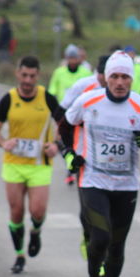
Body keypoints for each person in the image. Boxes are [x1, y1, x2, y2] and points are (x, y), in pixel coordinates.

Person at [60, 51, 140, 277]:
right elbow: (63, 127)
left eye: (125, 77)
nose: (119, 82)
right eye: (114, 76)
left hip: (126, 186)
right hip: (93, 180)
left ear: (131, 80)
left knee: (117, 247)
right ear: (106, 78)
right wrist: (69, 153)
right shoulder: (88, 101)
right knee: (100, 237)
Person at [0, 56, 61, 273]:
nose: (28, 80)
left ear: (37, 76)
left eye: (32, 76)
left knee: (37, 210)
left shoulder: (47, 98)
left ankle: (36, 232)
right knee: (17, 211)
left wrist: (56, 144)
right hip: (14, 164)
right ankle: (19, 255)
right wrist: (4, 142)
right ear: (17, 74)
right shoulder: (8, 99)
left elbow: (64, 125)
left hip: (40, 164)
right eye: (24, 75)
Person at [57, 54, 109, 261]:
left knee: (109, 214)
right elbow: (61, 112)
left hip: (110, 161)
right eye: (106, 76)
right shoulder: (84, 87)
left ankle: (103, 255)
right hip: (84, 155)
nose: (113, 81)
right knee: (88, 209)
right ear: (99, 73)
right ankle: (88, 236)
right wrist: (67, 146)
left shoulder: (122, 90)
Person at [48, 44, 92, 185]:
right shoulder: (59, 72)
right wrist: (55, 112)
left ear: (79, 59)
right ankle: (69, 160)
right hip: (63, 113)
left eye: (75, 57)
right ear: (66, 58)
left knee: (78, 141)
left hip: (80, 114)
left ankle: (73, 168)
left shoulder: (85, 73)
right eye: (70, 57)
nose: (73, 60)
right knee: (61, 140)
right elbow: (53, 91)